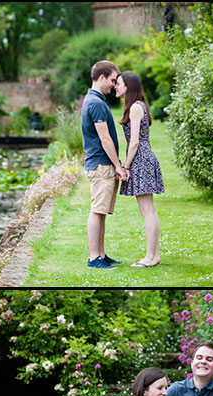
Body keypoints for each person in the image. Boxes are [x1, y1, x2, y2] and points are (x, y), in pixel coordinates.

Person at [80, 60, 129, 270]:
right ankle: (93, 258)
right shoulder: (96, 103)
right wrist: (118, 165)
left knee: (101, 213)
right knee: (97, 211)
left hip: (101, 164)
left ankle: (101, 254)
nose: (113, 85)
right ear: (101, 78)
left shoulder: (95, 99)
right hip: (101, 164)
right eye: (112, 80)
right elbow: (105, 138)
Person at [114, 72, 164, 268]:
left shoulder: (135, 107)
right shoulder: (138, 105)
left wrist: (125, 166)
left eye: (118, 84)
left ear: (129, 86)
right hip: (143, 158)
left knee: (148, 211)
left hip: (141, 159)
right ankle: (153, 255)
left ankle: (152, 257)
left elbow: (134, 142)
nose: (116, 87)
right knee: (147, 210)